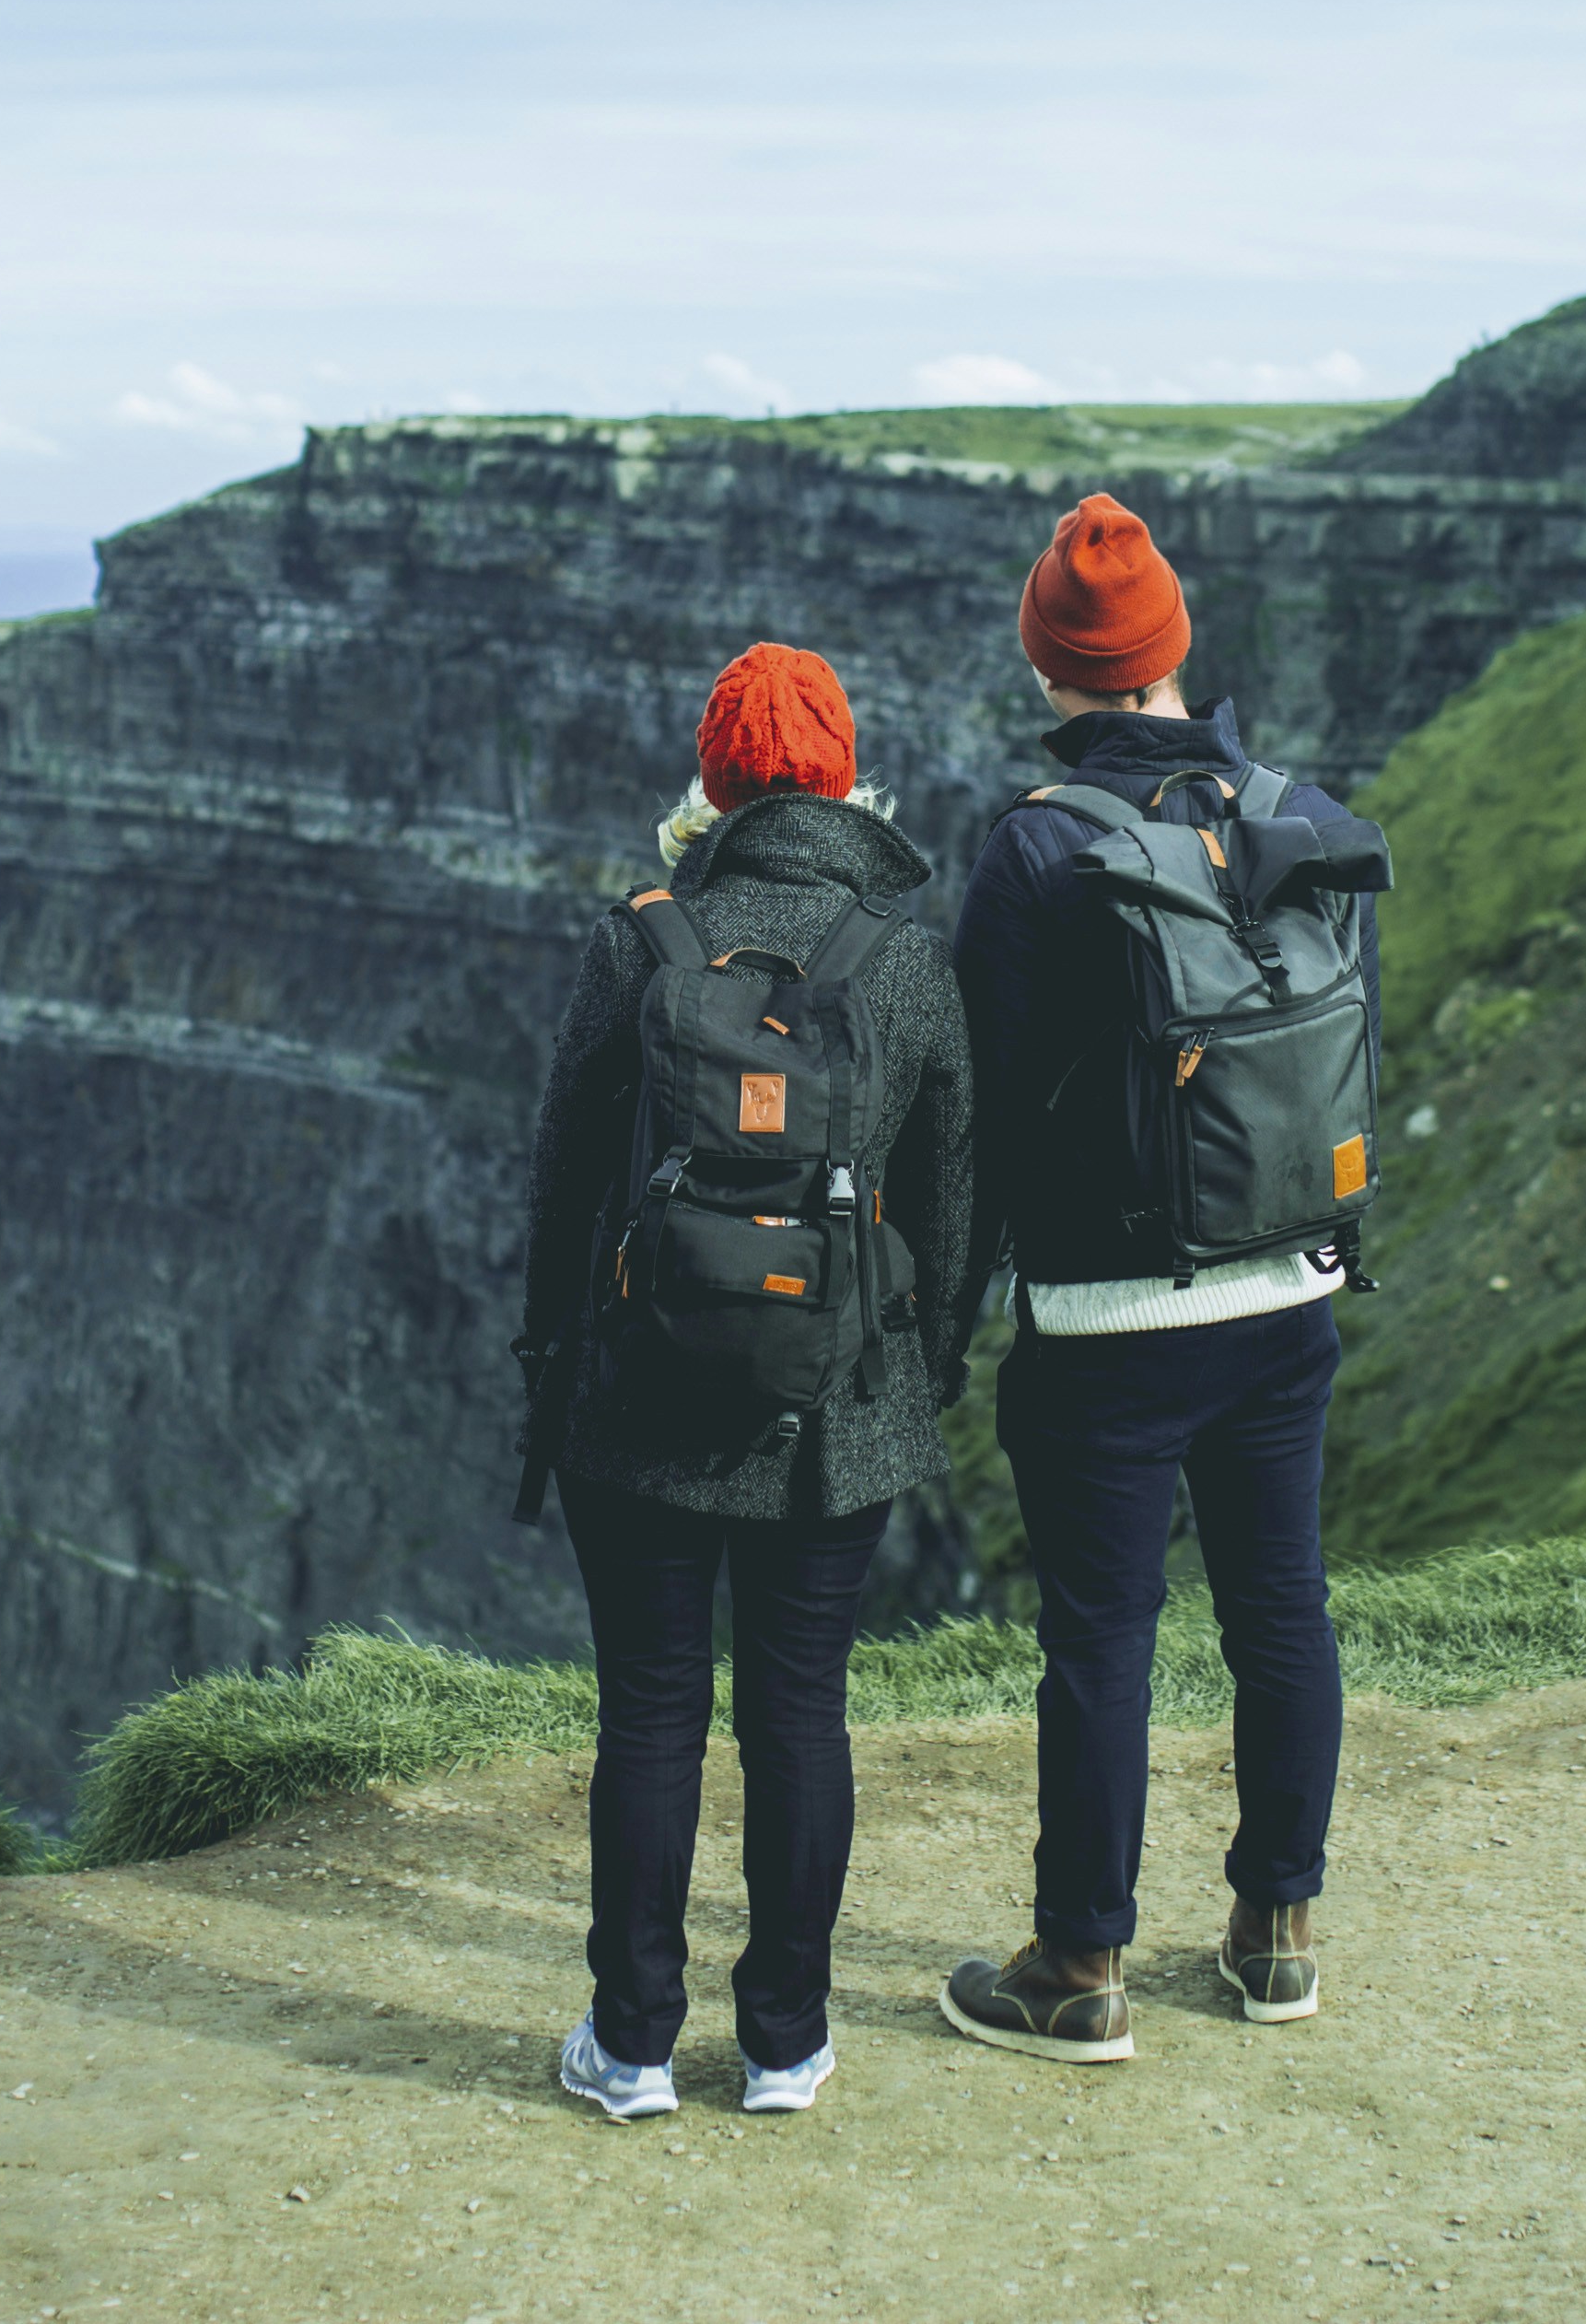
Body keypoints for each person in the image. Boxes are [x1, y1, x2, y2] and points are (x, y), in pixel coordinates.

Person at [512, 642, 976, 2123]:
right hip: (834, 1413)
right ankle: (785, 2043)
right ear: (842, 781)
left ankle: (634, 2045)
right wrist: (926, 1367)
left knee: (650, 1713)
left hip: (638, 1399)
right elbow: (954, 1200)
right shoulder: (903, 963)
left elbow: (561, 1184)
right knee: (799, 1711)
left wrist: (552, 1361)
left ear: (713, 783)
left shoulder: (635, 944)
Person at [937, 496, 1374, 2061]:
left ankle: (1079, 1964)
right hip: (1286, 1291)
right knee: (1282, 1612)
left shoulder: (1041, 848)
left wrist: (943, 1313)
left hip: (1112, 1320)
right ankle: (1279, 1935)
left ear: (1051, 666)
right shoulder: (1292, 813)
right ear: (1176, 649)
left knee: (1102, 1642)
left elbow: (973, 1106)